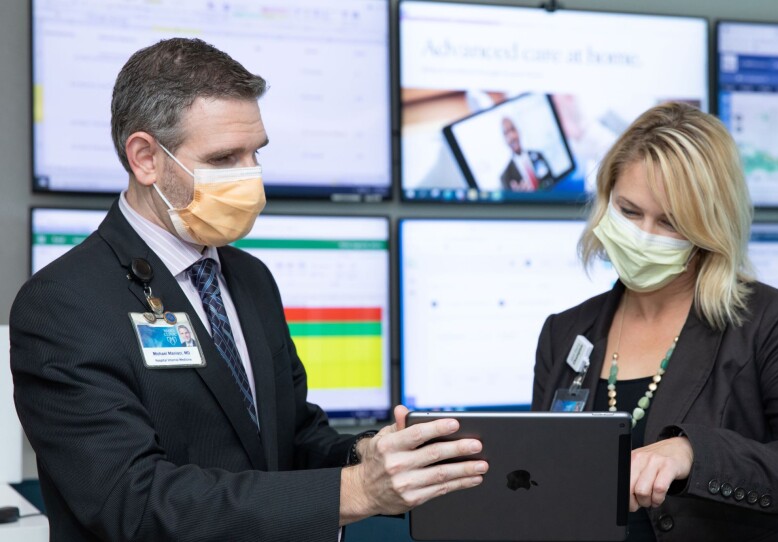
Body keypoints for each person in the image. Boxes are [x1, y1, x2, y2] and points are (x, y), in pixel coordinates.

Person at [10, 38, 487, 542]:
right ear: (145, 158)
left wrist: (366, 455)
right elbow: (133, 502)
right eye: (223, 158)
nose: (250, 178)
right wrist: (356, 491)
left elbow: (291, 438)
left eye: (254, 153)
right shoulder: (64, 304)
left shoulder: (249, 277)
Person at [531, 102, 778, 541]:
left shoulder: (769, 321)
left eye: (669, 222)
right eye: (629, 211)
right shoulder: (567, 332)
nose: (643, 235)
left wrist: (693, 454)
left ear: (709, 230)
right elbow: (539, 487)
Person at [499, 116, 553, 191]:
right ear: (504, 139)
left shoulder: (538, 155)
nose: (512, 136)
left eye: (513, 129)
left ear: (518, 131)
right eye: (506, 133)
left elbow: (552, 180)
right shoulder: (505, 177)